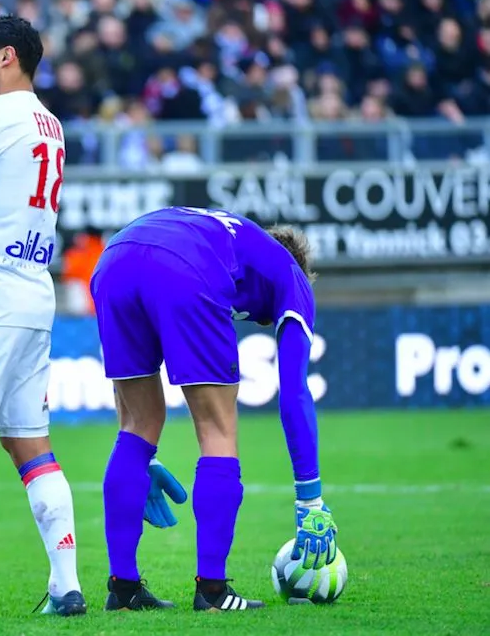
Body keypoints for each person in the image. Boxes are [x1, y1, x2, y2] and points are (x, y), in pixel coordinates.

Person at [0, 15, 183, 620]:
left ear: (6, 57)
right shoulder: (50, 122)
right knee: (31, 446)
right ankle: (66, 586)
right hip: (31, 296)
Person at [89, 206, 339, 612]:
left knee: (137, 426)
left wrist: (138, 464)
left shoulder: (234, 237)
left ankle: (124, 590)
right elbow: (294, 394)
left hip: (114, 260)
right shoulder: (292, 275)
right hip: (185, 268)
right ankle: (212, 591)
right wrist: (310, 501)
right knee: (217, 430)